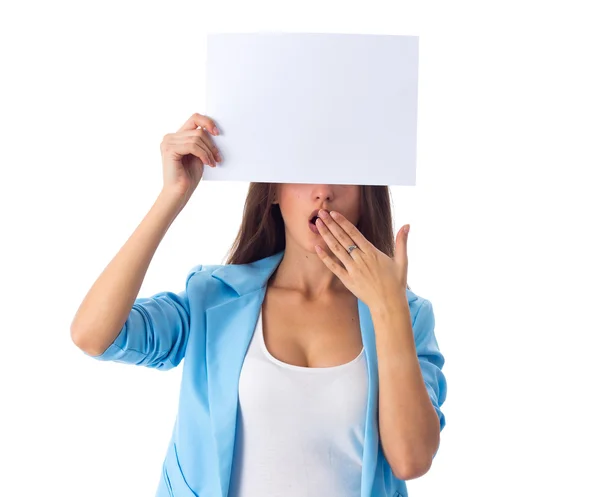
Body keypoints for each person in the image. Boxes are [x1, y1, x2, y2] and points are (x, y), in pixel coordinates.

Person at [70, 113, 447, 497]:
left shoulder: (408, 316)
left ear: (368, 191)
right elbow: (94, 336)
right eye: (304, 170)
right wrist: (173, 194)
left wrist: (388, 309)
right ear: (272, 190)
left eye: (343, 171)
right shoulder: (213, 300)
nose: (324, 191)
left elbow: (411, 461)